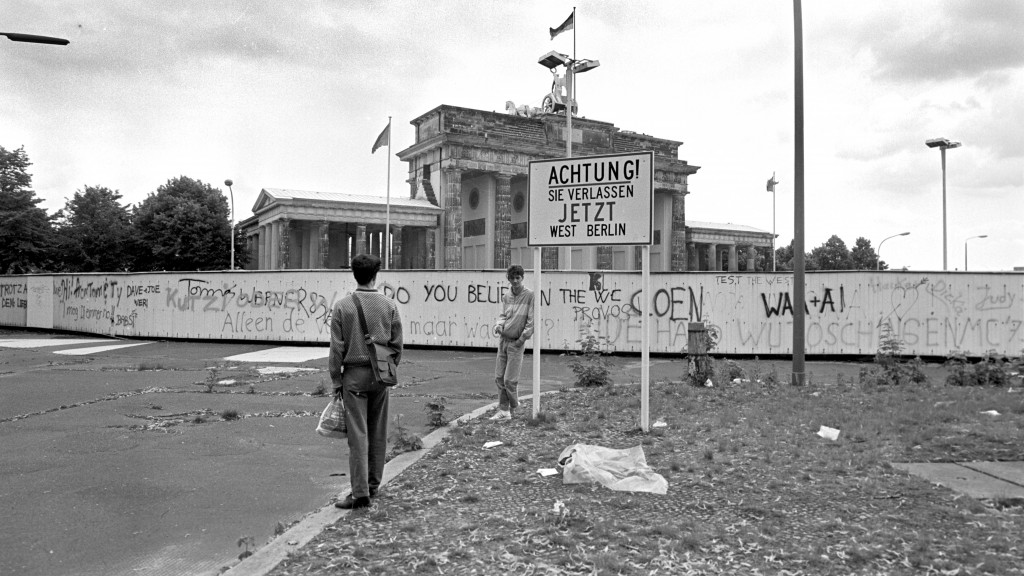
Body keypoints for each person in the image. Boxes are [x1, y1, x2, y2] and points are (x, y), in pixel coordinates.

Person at [328, 253, 403, 509]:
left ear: (354, 274)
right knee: (378, 431)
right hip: (380, 374)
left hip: (353, 376)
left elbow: (336, 350)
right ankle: (374, 484)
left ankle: (359, 493)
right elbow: (397, 345)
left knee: (358, 435)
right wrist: (387, 368)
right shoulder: (389, 305)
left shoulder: (342, 306)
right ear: (375, 275)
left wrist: (336, 381)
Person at [489, 264, 534, 421]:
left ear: (522, 278)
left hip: (516, 342)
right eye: (512, 278)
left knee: (510, 380)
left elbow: (531, 321)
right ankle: (504, 410)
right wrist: (498, 325)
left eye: (518, 278)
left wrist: (522, 339)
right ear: (508, 279)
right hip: (503, 340)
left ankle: (514, 406)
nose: (515, 281)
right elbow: (503, 315)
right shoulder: (507, 296)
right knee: (499, 378)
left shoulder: (529, 295)